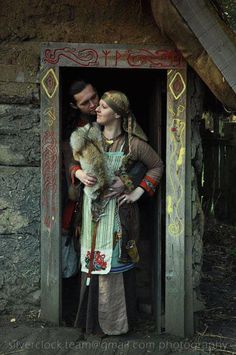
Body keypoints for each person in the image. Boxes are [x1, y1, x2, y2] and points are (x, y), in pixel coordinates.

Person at [70, 90, 164, 336]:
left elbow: (156, 166)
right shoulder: (89, 138)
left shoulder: (134, 144)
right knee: (91, 261)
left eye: (103, 106)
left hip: (119, 217)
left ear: (119, 114)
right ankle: (90, 323)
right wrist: (78, 173)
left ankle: (115, 324)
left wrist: (135, 191)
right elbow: (69, 158)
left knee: (115, 264)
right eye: (97, 105)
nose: (97, 109)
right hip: (92, 215)